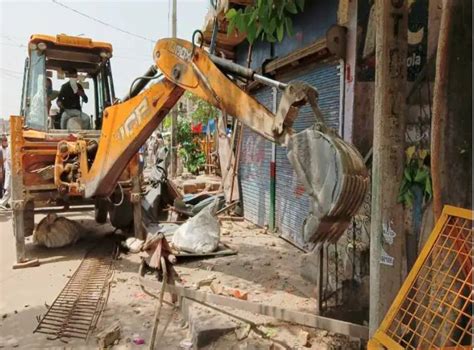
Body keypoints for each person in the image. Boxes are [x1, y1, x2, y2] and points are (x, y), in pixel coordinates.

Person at [0, 135, 11, 210]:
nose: (5, 142)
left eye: (6, 140)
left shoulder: (7, 148)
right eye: (4, 140)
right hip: (7, 170)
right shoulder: (8, 148)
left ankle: (4, 203)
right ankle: (3, 203)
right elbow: (9, 160)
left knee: (8, 189)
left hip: (7, 170)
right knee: (8, 188)